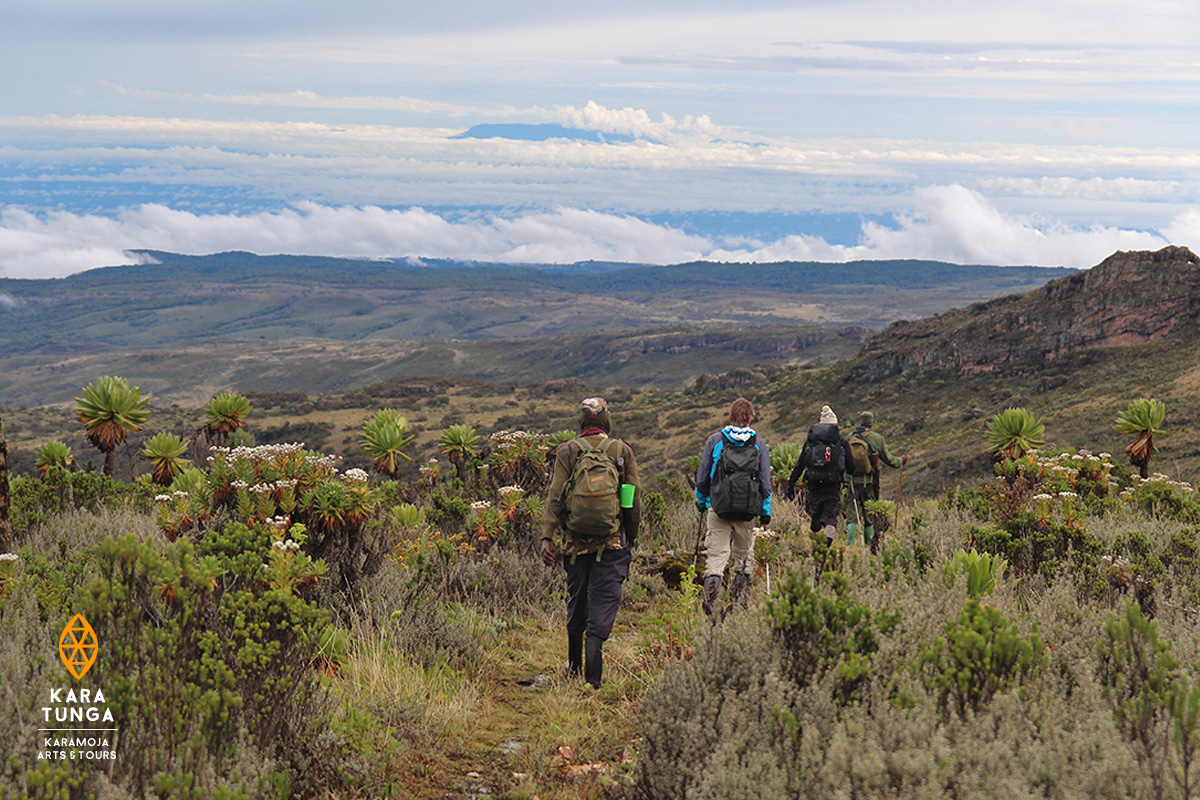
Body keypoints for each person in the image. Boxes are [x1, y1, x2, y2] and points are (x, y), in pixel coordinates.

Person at [540, 397, 640, 689]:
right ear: (606, 420)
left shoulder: (568, 451)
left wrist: (548, 537)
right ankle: (593, 680)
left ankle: (573, 668)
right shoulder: (622, 452)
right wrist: (629, 538)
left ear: (582, 423)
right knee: (604, 602)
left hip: (574, 544)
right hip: (612, 543)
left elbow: (555, 497)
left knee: (578, 601)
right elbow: (630, 500)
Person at [694, 398, 771, 621]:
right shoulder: (759, 444)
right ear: (750, 418)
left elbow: (702, 479)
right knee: (744, 558)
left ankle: (713, 611)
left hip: (717, 508)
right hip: (748, 511)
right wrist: (765, 511)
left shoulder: (715, 440)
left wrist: (703, 502)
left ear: (730, 416)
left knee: (716, 558)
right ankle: (739, 607)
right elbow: (765, 484)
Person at [785, 404, 855, 544]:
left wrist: (791, 484)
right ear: (835, 424)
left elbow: (800, 464)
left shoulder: (811, 441)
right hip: (833, 485)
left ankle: (816, 546)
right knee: (831, 517)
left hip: (813, 484)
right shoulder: (841, 441)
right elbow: (852, 467)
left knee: (816, 514)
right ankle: (827, 544)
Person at [846, 411, 907, 550]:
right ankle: (868, 544)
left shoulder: (849, 437)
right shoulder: (876, 438)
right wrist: (901, 461)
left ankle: (849, 545)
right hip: (868, 483)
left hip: (851, 482)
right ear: (871, 422)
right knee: (869, 514)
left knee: (851, 514)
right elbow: (889, 459)